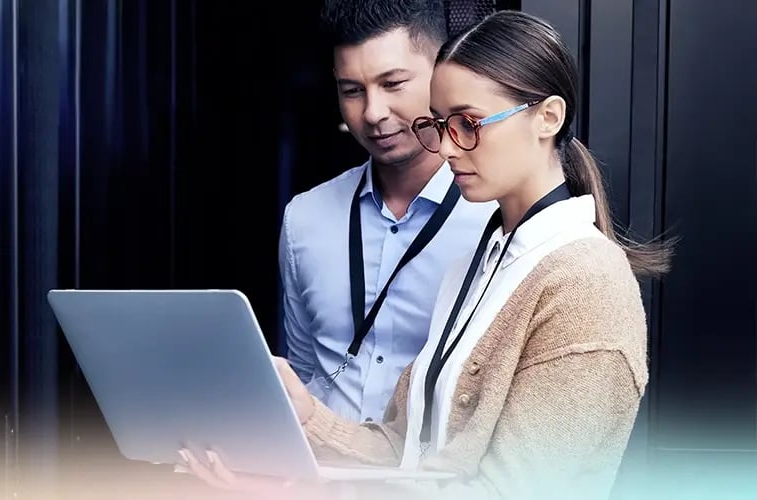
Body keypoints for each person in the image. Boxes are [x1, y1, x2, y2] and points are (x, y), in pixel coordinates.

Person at [183, 10, 675, 500]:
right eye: (439, 124)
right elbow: (409, 456)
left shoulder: (587, 281)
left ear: (548, 117)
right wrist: (305, 414)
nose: (448, 146)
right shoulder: (479, 263)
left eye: (468, 123)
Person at [280, 0, 496, 425]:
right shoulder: (304, 218)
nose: (373, 113)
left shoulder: (496, 217)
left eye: (393, 83)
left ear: (443, 76)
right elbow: (302, 375)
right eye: (352, 90)